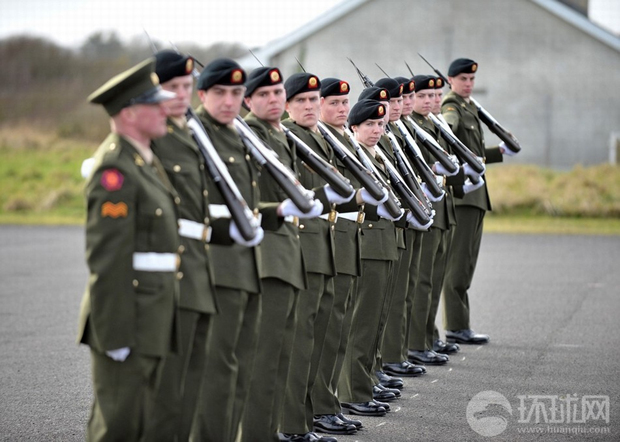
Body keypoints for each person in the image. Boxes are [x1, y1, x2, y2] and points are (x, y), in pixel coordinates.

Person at [77, 58, 179, 441]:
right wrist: (115, 335)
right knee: (119, 424)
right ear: (130, 113)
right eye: (156, 104)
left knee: (150, 422)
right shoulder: (114, 171)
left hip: (154, 312)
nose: (166, 110)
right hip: (130, 318)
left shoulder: (144, 160)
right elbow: (108, 260)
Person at [143, 50, 236, 441]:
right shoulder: (153, 138)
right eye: (172, 87)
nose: (181, 94)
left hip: (200, 267)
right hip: (171, 272)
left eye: (186, 86)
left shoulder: (191, 133)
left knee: (191, 385)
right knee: (167, 391)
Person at [190, 58, 275, 442]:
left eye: (236, 93)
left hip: (247, 265)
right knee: (217, 370)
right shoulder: (194, 134)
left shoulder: (237, 133)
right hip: (217, 266)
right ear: (202, 94)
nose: (229, 101)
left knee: (242, 367)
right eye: (220, 92)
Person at [241, 66, 323, 442]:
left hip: (289, 252)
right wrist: (280, 209)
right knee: (264, 358)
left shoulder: (278, 135)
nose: (273, 100)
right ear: (248, 100)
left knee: (282, 355)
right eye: (264, 94)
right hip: (267, 255)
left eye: (277, 93)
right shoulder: (250, 134)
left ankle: (274, 430)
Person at [279, 72, 356, 442]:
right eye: (302, 101)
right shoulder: (288, 136)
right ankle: (293, 424)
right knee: (301, 341)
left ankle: (310, 417)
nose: (309, 106)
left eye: (313, 100)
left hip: (324, 241)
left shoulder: (319, 136)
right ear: (288, 105)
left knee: (321, 336)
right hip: (303, 244)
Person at [441, 58, 518, 344]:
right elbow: (448, 134)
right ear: (450, 80)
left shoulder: (470, 106)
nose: (468, 84)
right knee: (458, 266)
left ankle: (461, 325)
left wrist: (499, 151)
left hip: (476, 195)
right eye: (463, 79)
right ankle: (455, 327)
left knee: (467, 265)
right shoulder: (451, 107)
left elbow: (474, 153)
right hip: (463, 197)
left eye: (472, 79)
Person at [338, 98, 402, 418]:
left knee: (375, 320)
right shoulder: (352, 156)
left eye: (380, 124)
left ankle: (366, 382)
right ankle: (353, 391)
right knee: (361, 323)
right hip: (367, 243)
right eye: (369, 125)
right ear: (354, 127)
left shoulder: (377, 155)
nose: (376, 130)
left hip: (383, 242)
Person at [406, 74, 456, 366]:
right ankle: (417, 342)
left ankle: (428, 336)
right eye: (424, 96)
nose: (432, 100)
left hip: (440, 205)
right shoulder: (412, 127)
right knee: (422, 280)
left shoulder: (432, 123)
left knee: (434, 278)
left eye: (436, 95)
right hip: (424, 206)